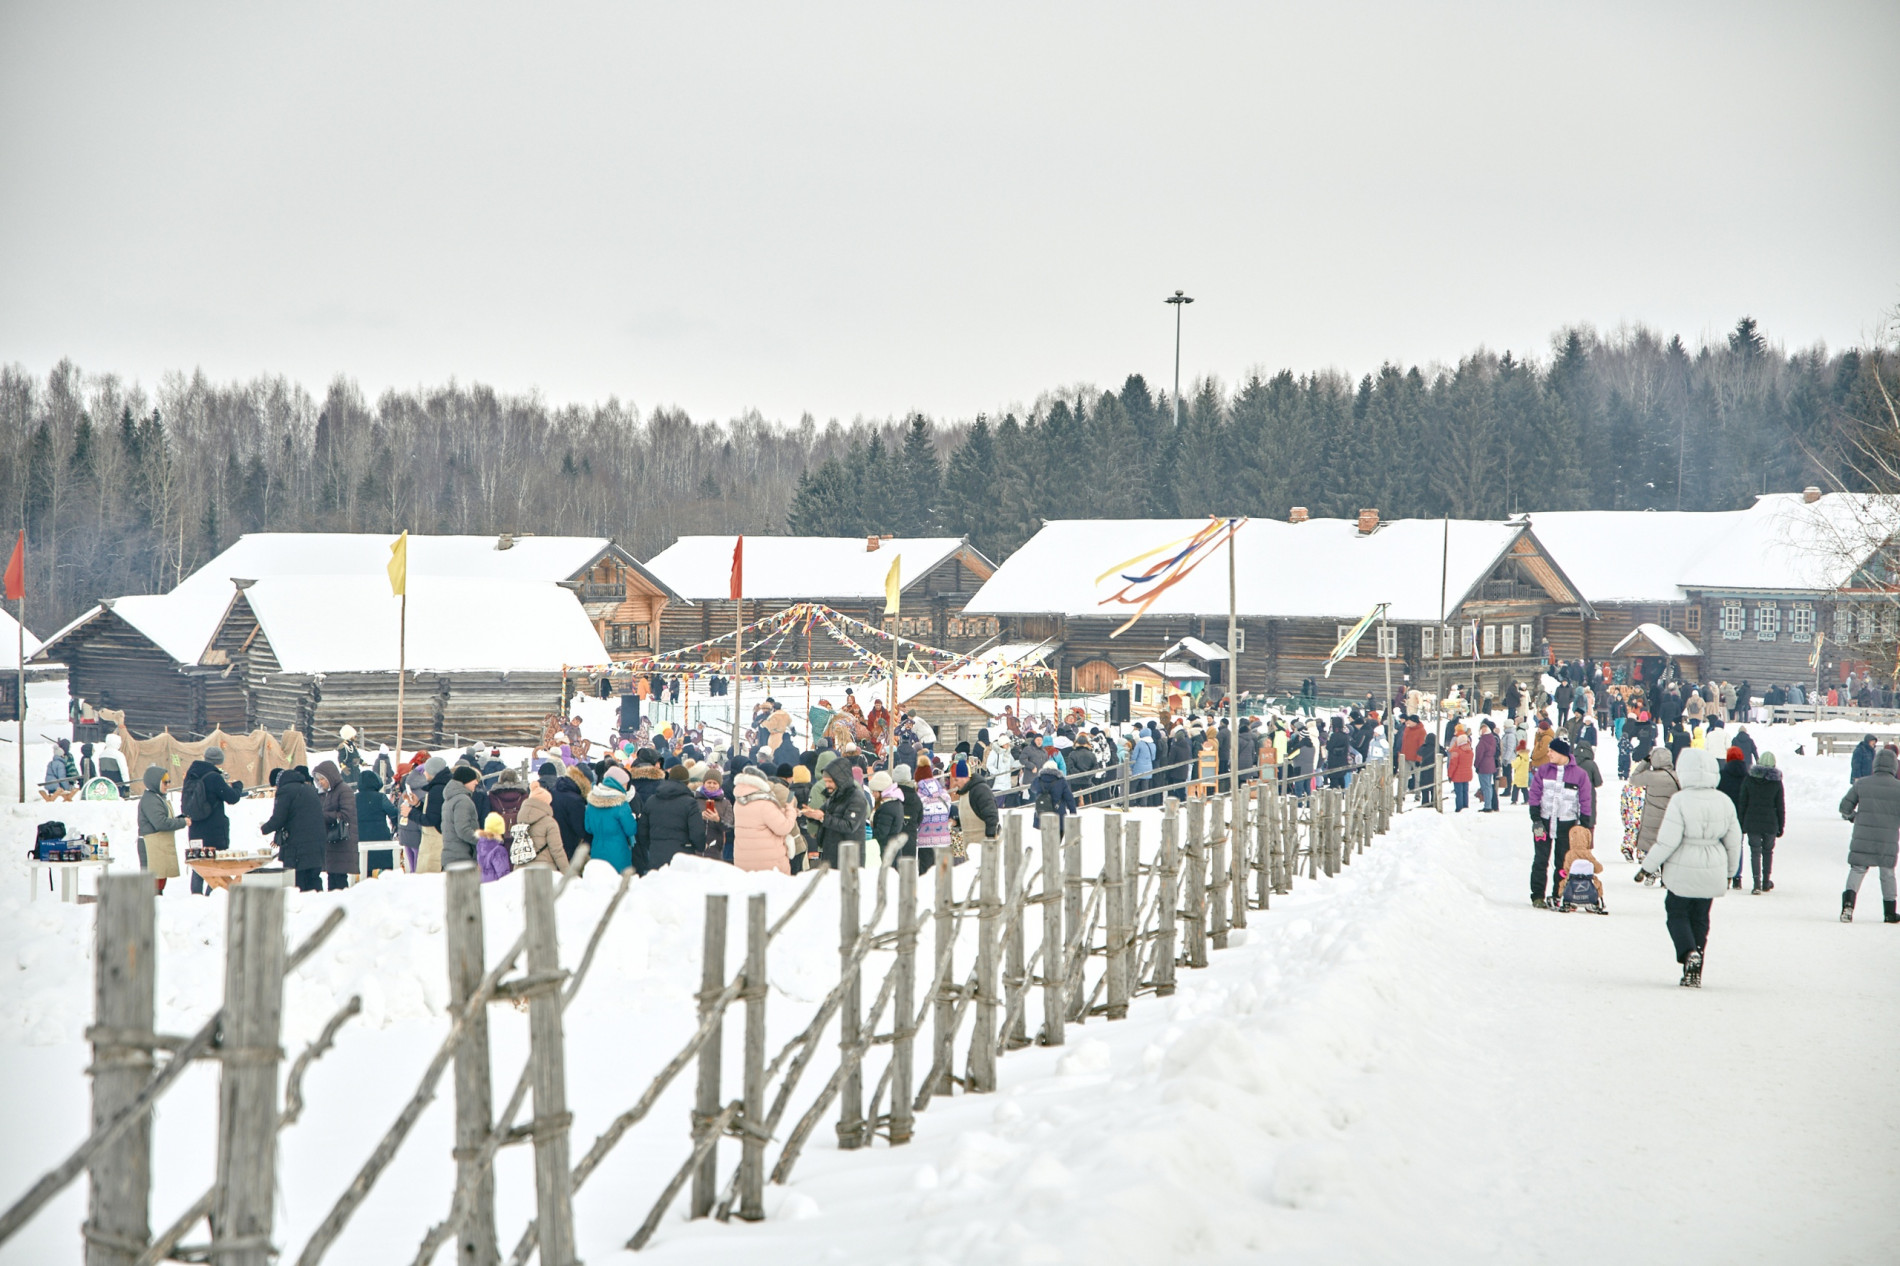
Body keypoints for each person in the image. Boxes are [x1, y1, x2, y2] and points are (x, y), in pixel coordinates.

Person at [1637, 747, 1744, 986]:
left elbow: (1667, 840)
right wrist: (1730, 872)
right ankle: (1695, 967)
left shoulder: (1680, 800)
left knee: (1676, 912)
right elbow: (1734, 840)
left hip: (1682, 867)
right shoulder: (1724, 801)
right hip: (1713, 865)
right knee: (1701, 918)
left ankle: (1688, 953)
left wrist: (1647, 866)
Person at [1527, 738, 1593, 908]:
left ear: (1562, 753)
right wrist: (1535, 818)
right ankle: (1537, 896)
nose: (1548, 754)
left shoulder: (1579, 775)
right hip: (1544, 822)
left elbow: (1585, 799)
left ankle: (1559, 894)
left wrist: (1585, 824)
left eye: (1552, 751)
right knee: (1541, 860)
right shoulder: (1543, 771)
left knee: (1563, 862)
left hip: (1567, 824)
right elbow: (1534, 794)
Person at [1837, 746, 1900, 924]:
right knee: (1887, 873)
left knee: (1857, 869)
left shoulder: (1862, 784)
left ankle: (1848, 906)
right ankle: (1889, 912)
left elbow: (1844, 808)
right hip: (1887, 839)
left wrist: (1854, 818)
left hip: (1862, 836)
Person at [182, 746, 245, 895]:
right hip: (212, 830)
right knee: (214, 866)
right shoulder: (214, 777)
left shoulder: (192, 775)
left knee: (199, 865)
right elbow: (232, 797)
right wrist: (238, 786)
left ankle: (196, 897)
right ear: (219, 761)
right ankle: (212, 895)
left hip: (196, 829)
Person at [261, 766, 326, 892]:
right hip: (316, 844)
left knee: (298, 883)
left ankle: (301, 910)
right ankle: (319, 907)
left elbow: (279, 818)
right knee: (313, 880)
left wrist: (264, 828)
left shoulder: (285, 791)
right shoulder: (309, 789)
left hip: (298, 847)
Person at [1736, 750, 1785, 894]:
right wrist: (1781, 825)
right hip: (1770, 822)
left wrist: (1741, 822)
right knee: (1768, 852)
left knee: (1755, 852)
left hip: (1752, 821)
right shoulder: (1776, 782)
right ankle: (1766, 881)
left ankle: (1756, 883)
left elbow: (1743, 802)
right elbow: (1780, 806)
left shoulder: (1749, 779)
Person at [802, 763, 867, 868]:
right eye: (826, 781)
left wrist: (822, 817)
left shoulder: (856, 798)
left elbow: (849, 825)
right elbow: (823, 814)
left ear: (841, 780)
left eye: (830, 781)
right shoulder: (835, 796)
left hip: (849, 858)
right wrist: (811, 815)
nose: (827, 785)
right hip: (832, 854)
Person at [1626, 745, 1681, 869]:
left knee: (1653, 847)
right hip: (1670, 818)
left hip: (1651, 819)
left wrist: (1645, 762)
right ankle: (1666, 875)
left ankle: (1652, 869)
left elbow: (1633, 778)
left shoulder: (1649, 776)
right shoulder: (1677, 776)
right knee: (1668, 847)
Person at [642, 765, 706, 870]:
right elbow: (697, 832)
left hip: (656, 855)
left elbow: (642, 831)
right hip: (682, 857)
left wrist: (652, 845)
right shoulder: (690, 803)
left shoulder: (651, 801)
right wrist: (699, 847)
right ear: (686, 782)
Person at [136, 765, 189, 892]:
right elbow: (160, 823)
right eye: (165, 782)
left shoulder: (157, 798)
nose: (168, 785)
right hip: (151, 845)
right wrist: (182, 822)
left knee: (159, 881)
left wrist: (179, 818)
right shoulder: (151, 800)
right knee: (153, 883)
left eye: (169, 782)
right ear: (155, 782)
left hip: (158, 845)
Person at [584, 766, 640, 872]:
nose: (626, 786)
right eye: (625, 783)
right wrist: (633, 818)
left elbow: (588, 828)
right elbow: (631, 829)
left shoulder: (592, 802)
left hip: (597, 851)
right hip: (618, 853)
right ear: (618, 783)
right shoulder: (621, 803)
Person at [516, 778, 570, 871]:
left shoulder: (520, 819)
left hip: (522, 869)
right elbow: (557, 851)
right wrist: (567, 872)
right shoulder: (550, 823)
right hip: (544, 870)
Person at [354, 769, 401, 875]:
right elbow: (393, 812)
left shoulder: (354, 798)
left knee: (365, 867)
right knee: (386, 868)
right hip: (380, 837)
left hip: (360, 837)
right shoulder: (381, 797)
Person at [438, 766, 484, 869]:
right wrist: (482, 840)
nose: (476, 783)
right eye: (474, 779)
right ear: (466, 780)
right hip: (462, 859)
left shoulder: (450, 798)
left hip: (451, 856)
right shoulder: (462, 800)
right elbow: (463, 830)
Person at [1475, 720, 1501, 812]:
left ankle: (1487, 806)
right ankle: (1489, 804)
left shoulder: (1483, 741)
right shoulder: (1492, 739)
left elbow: (1479, 754)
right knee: (1489, 786)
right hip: (1491, 764)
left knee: (1485, 786)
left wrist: (1476, 765)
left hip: (1484, 765)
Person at [1446, 725, 1474, 811]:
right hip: (1467, 774)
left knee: (1459, 792)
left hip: (1457, 775)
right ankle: (1465, 805)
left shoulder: (1456, 752)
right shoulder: (1470, 751)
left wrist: (1449, 775)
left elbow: (1453, 765)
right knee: (1465, 791)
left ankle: (1459, 807)